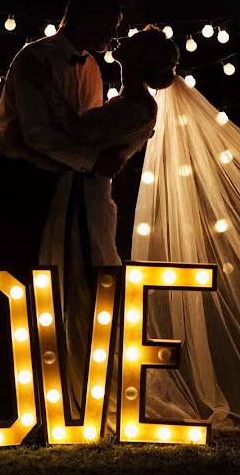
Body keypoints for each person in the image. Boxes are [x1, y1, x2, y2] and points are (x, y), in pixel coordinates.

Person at [38, 24, 179, 420]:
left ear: (139, 59)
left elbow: (77, 129)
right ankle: (76, 387)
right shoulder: (128, 101)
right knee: (76, 285)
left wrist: (46, 85)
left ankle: (89, 392)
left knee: (84, 288)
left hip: (87, 201)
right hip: (80, 195)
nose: (121, 39)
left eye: (132, 41)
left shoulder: (134, 108)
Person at [0, 0, 125, 271]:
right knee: (19, 270)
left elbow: (86, 128)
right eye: (110, 24)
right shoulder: (34, 58)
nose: (114, 33)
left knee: (57, 272)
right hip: (18, 178)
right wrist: (93, 162)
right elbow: (37, 134)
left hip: (65, 181)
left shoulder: (92, 68)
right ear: (84, 18)